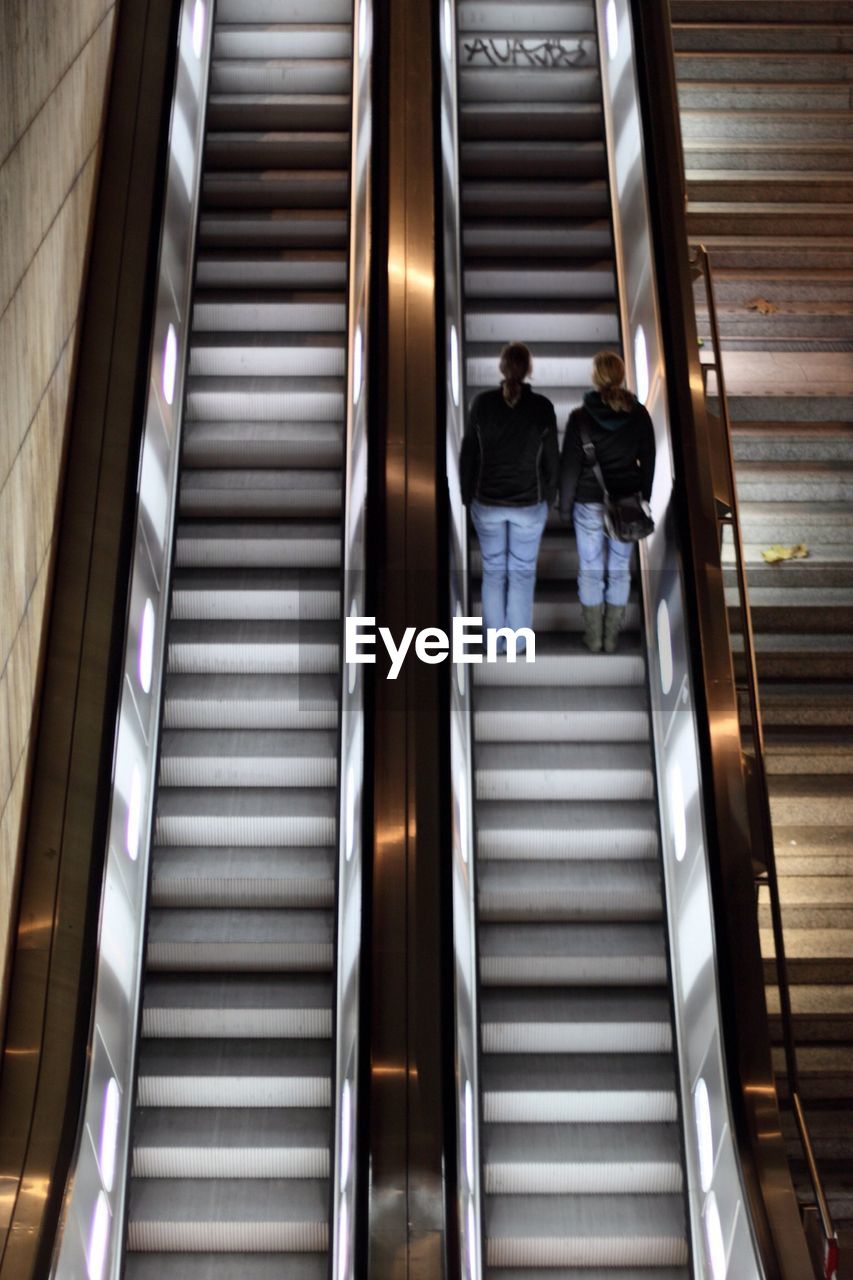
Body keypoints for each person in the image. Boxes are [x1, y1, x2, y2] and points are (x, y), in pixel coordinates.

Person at [460, 342, 559, 653]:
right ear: (528, 369)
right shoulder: (542, 407)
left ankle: (493, 640)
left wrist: (467, 495)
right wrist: (550, 496)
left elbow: (469, 455)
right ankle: (517, 642)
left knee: (493, 571)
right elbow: (552, 461)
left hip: (486, 501)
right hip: (529, 503)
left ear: (502, 368)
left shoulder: (482, 404)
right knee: (521, 572)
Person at [559, 350, 655, 654]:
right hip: (626, 503)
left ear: (595, 378)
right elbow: (649, 458)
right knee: (619, 568)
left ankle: (594, 636)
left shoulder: (580, 417)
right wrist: (646, 496)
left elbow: (570, 466)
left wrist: (565, 504)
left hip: (588, 502)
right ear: (621, 376)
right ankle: (611, 637)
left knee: (589, 566)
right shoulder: (638, 413)